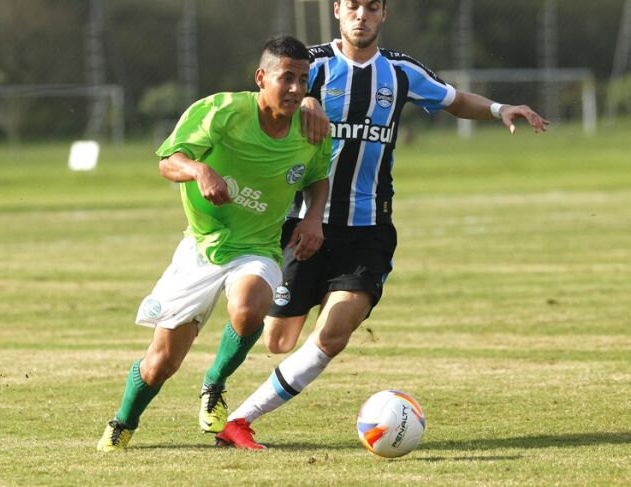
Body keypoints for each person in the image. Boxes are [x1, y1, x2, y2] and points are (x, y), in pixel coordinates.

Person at [213, 0, 550, 450]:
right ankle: (218, 377)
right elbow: (265, 105)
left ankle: (239, 421)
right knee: (278, 339)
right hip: (303, 224)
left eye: (372, 8)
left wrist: (498, 109)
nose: (362, 15)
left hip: (368, 229)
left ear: (383, 15)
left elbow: (453, 100)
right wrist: (304, 100)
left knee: (333, 332)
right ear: (337, 10)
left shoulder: (401, 71)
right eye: (353, 6)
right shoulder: (307, 65)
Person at [96, 34, 332, 452]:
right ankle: (123, 422)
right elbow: (169, 161)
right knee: (162, 363)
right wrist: (199, 170)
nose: (296, 89)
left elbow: (317, 176)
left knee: (248, 306)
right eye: (287, 78)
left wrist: (314, 216)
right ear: (262, 78)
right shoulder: (222, 111)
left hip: (257, 248)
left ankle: (215, 383)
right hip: (202, 248)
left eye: (303, 80)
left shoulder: (311, 128)